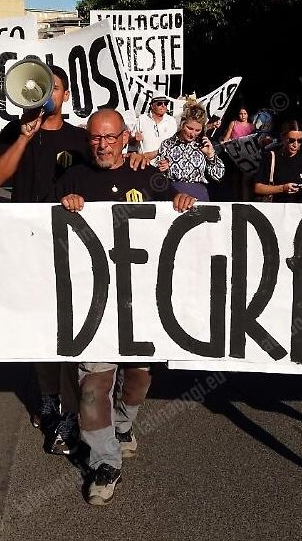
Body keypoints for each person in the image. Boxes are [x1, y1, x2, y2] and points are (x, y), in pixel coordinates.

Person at [54, 109, 196, 505]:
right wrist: (63, 204)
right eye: (95, 138)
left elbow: (179, 209)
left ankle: (121, 425)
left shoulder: (145, 175)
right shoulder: (72, 179)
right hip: (93, 304)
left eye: (110, 137)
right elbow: (41, 229)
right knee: (92, 388)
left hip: (142, 303)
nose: (102, 145)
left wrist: (181, 198)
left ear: (126, 137)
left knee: (137, 376)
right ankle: (105, 462)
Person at [0, 64, 87, 454]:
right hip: (27, 246)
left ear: (65, 96)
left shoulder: (80, 138)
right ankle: (48, 397)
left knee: (66, 330)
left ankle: (69, 411)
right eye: (42, 88)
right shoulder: (16, 131)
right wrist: (24, 138)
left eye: (55, 89)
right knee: (38, 330)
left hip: (70, 249)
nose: (48, 96)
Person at [155, 96, 225, 200]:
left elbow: (219, 176)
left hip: (199, 195)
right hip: (174, 195)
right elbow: (157, 179)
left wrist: (211, 156)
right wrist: (161, 168)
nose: (193, 134)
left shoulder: (204, 144)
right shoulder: (167, 144)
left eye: (197, 130)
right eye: (190, 128)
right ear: (182, 124)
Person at [253, 119, 302, 203]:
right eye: (291, 140)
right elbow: (258, 188)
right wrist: (283, 188)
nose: (295, 144)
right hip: (277, 209)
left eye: (300, 141)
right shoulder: (270, 157)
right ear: (282, 137)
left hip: (300, 210)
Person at [132, 95, 178, 160]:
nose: (163, 105)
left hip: (163, 164)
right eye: (159, 103)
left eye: (165, 103)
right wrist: (134, 139)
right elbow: (131, 143)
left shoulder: (171, 120)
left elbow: (175, 144)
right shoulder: (142, 119)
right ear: (152, 106)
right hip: (145, 162)